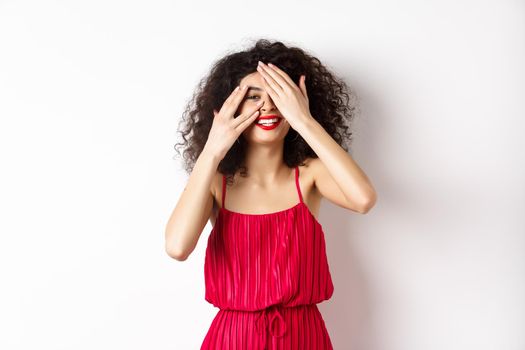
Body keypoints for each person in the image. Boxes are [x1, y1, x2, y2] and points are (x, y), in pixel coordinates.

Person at [165, 39, 377, 349]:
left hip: (303, 337)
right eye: (253, 96)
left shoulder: (310, 175)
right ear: (228, 107)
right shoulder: (214, 182)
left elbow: (363, 199)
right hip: (234, 338)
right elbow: (177, 247)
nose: (268, 106)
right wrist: (212, 150)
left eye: (279, 94)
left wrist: (304, 120)